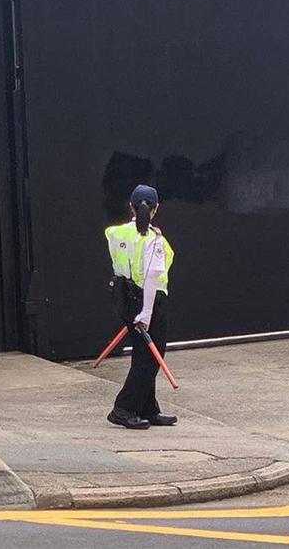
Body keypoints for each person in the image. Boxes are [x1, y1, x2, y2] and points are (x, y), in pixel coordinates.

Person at [104, 184, 177, 430]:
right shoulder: (154, 240)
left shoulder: (116, 233)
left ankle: (148, 407)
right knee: (149, 359)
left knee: (142, 353)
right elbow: (151, 279)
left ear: (131, 206)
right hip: (150, 301)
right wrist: (146, 312)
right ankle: (124, 408)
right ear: (155, 209)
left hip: (125, 298)